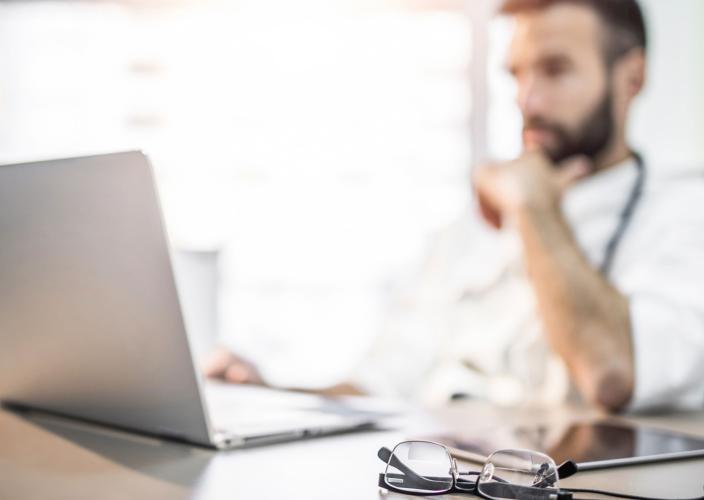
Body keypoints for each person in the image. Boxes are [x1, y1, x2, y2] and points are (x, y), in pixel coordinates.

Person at [205, 0, 704, 412]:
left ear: (632, 77)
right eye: (516, 74)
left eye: (555, 70)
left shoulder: (683, 214)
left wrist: (532, 205)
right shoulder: (468, 231)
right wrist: (269, 399)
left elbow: (614, 374)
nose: (527, 101)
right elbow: (378, 390)